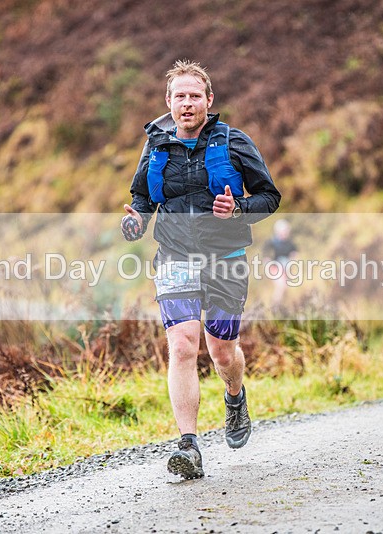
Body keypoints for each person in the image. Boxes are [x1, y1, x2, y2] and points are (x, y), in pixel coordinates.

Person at [121, 60, 280, 479]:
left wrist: (238, 209)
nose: (187, 103)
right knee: (182, 346)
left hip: (225, 259)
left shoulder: (234, 142)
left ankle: (234, 396)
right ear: (168, 102)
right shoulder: (156, 145)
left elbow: (269, 196)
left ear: (209, 101)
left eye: (195, 96)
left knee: (222, 351)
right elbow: (141, 199)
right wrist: (134, 221)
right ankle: (189, 446)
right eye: (179, 96)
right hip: (174, 256)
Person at [263, 218, 298, 307]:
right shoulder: (271, 243)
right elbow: (266, 259)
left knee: (286, 288)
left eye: (287, 230)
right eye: (285, 230)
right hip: (275, 269)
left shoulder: (290, 243)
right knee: (281, 286)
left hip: (286, 269)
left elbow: (295, 255)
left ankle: (282, 307)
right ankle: (274, 306)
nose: (286, 232)